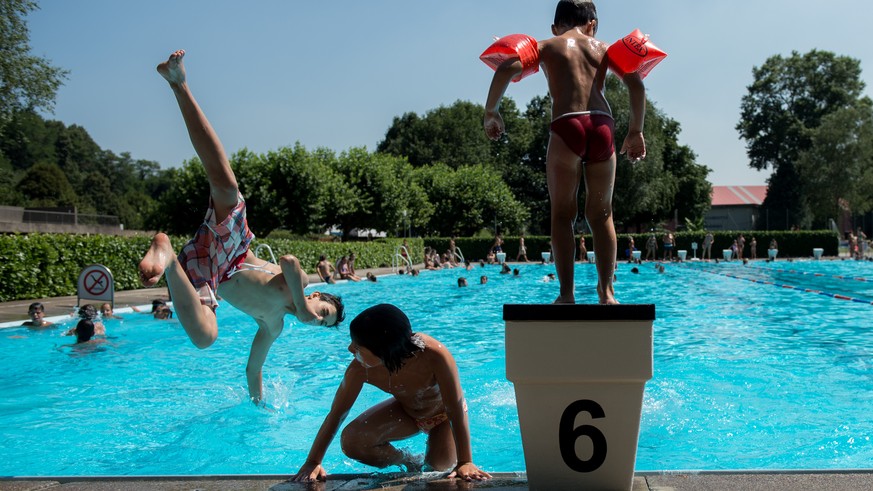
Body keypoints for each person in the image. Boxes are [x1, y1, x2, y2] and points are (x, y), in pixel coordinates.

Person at [137, 50, 345, 406]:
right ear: (316, 299)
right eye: (323, 314)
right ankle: (179, 83)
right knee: (227, 189)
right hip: (234, 251)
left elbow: (254, 368)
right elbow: (289, 259)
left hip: (210, 275)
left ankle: (168, 257)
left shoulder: (273, 326)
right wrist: (301, 302)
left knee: (205, 338)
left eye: (322, 325)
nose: (315, 321)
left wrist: (258, 403)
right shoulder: (298, 284)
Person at [484, 0, 646, 304]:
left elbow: (506, 67)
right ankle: (607, 293)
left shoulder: (546, 46)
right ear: (593, 24)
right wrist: (635, 131)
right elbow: (636, 85)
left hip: (566, 125)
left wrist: (491, 111)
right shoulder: (605, 48)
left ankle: (566, 295)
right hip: (602, 126)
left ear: (555, 26)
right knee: (603, 214)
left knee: (562, 215)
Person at [292, 304, 491, 482]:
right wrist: (313, 461)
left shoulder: (434, 355)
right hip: (408, 412)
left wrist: (466, 461)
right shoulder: (359, 369)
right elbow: (337, 413)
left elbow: (454, 406)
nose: (350, 349)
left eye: (358, 346)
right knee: (353, 441)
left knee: (435, 472)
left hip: (443, 417)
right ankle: (408, 460)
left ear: (384, 352)